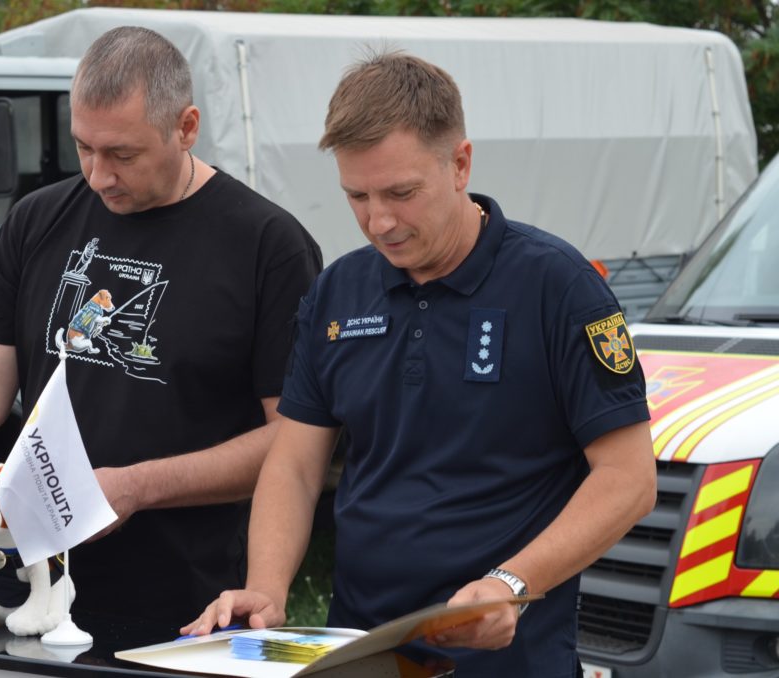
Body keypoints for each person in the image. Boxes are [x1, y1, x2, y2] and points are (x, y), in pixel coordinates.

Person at [0, 26, 321, 627]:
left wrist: (138, 486)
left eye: (123, 155)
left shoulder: (268, 245)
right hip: (26, 601)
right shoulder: (36, 220)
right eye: (84, 147)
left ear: (186, 127)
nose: (98, 175)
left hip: (184, 609)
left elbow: (294, 441)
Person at [184, 52, 657, 676]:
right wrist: (267, 589)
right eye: (357, 195)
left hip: (508, 660)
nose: (379, 221)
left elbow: (628, 478)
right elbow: (296, 464)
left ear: (460, 163)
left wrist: (511, 583)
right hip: (361, 653)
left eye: (402, 193)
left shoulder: (557, 287)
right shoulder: (338, 292)